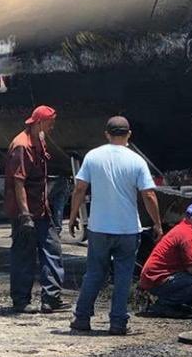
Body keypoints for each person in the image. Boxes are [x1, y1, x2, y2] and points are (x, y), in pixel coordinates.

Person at [69, 116, 163, 335]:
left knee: (93, 273)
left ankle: (82, 319)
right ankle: (118, 323)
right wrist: (157, 223)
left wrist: (73, 216)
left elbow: (79, 189)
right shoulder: (136, 160)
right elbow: (148, 195)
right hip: (127, 229)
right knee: (123, 276)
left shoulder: (93, 156)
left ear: (107, 134)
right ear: (129, 134)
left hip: (99, 228)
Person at [4, 105, 69, 314]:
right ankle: (21, 300)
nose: (52, 128)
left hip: (41, 208)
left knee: (52, 250)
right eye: (50, 124)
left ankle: (51, 298)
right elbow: (18, 182)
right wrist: (25, 216)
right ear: (40, 122)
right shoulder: (21, 146)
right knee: (24, 254)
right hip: (27, 212)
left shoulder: (38, 140)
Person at [139, 203, 192, 318]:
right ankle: (164, 304)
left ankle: (173, 303)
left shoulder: (182, 228)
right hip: (157, 280)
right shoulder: (188, 236)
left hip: (152, 278)